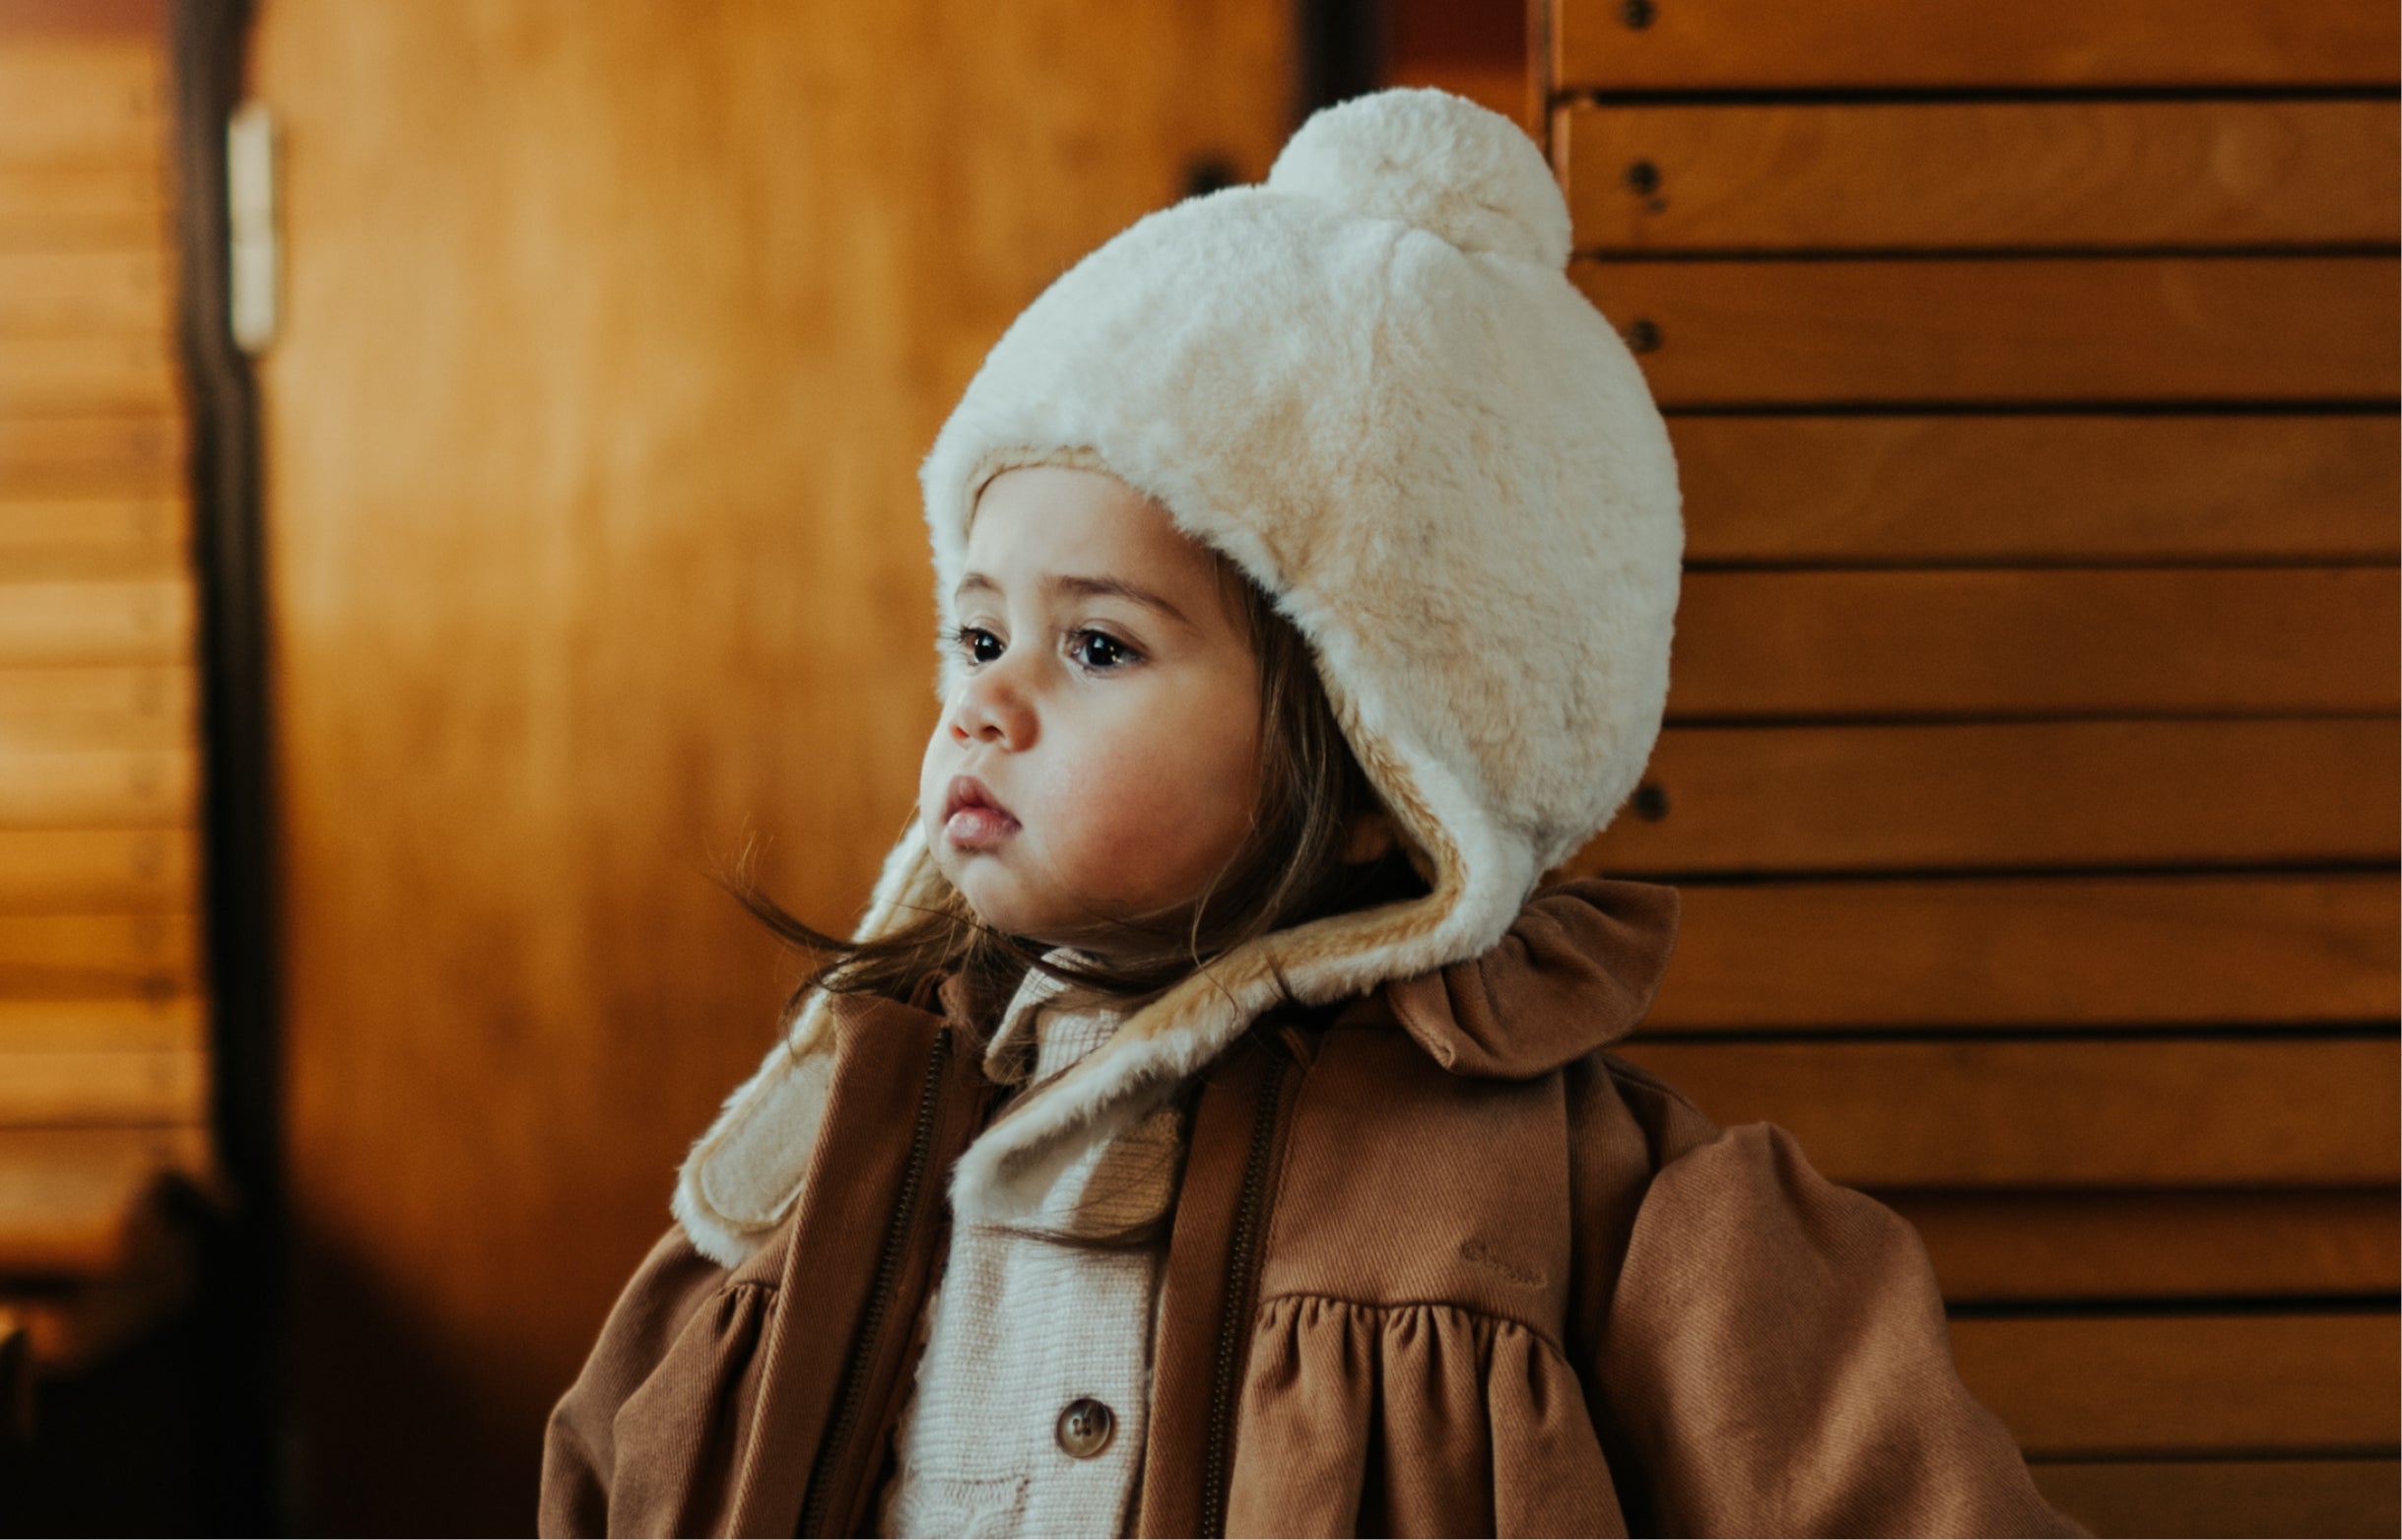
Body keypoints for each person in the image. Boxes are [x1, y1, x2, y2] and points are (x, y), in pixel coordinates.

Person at [539, 88, 2083, 1539]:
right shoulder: (828, 1144)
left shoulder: (1601, 1203)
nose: (983, 707)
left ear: (1377, 768)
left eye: (1096, 647)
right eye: (975, 631)